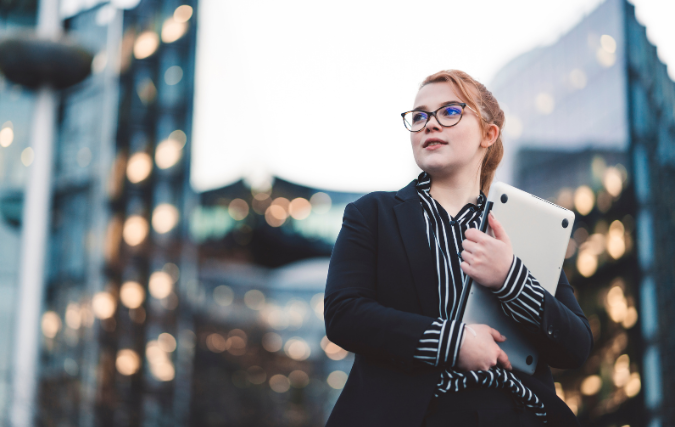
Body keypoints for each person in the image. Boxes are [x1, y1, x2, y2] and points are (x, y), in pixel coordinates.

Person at [323, 70, 593, 427]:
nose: (430, 124)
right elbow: (344, 314)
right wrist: (453, 341)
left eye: (450, 112)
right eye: (419, 117)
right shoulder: (372, 215)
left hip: (521, 414)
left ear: (488, 133)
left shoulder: (524, 230)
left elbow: (575, 346)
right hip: (417, 413)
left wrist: (511, 278)